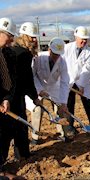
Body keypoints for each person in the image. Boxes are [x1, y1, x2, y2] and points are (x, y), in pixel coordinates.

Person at [11, 21, 42, 160]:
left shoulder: (16, 50)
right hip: (14, 95)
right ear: (23, 36)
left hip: (14, 94)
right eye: (31, 37)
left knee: (19, 126)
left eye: (35, 37)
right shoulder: (23, 54)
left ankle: (21, 154)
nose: (34, 40)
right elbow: (26, 78)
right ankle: (22, 154)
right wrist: (34, 96)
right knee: (19, 126)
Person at [30, 37, 69, 144]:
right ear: (49, 50)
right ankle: (35, 137)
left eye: (58, 55)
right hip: (38, 86)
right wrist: (39, 89)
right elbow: (32, 76)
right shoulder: (38, 58)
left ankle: (63, 134)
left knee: (60, 110)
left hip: (53, 87)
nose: (56, 57)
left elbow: (65, 82)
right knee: (37, 110)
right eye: (55, 54)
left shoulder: (62, 62)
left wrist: (64, 102)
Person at [63, 26, 90, 135]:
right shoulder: (66, 48)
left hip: (82, 79)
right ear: (76, 37)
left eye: (85, 39)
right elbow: (60, 64)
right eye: (81, 39)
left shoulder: (89, 51)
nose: (83, 41)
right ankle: (69, 128)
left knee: (88, 100)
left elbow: (87, 69)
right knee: (69, 104)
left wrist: (82, 85)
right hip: (68, 80)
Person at [0, 17, 17, 178]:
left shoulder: (3, 53)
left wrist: (6, 98)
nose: (11, 39)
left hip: (1, 101)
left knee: (5, 133)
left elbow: (6, 80)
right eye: (9, 35)